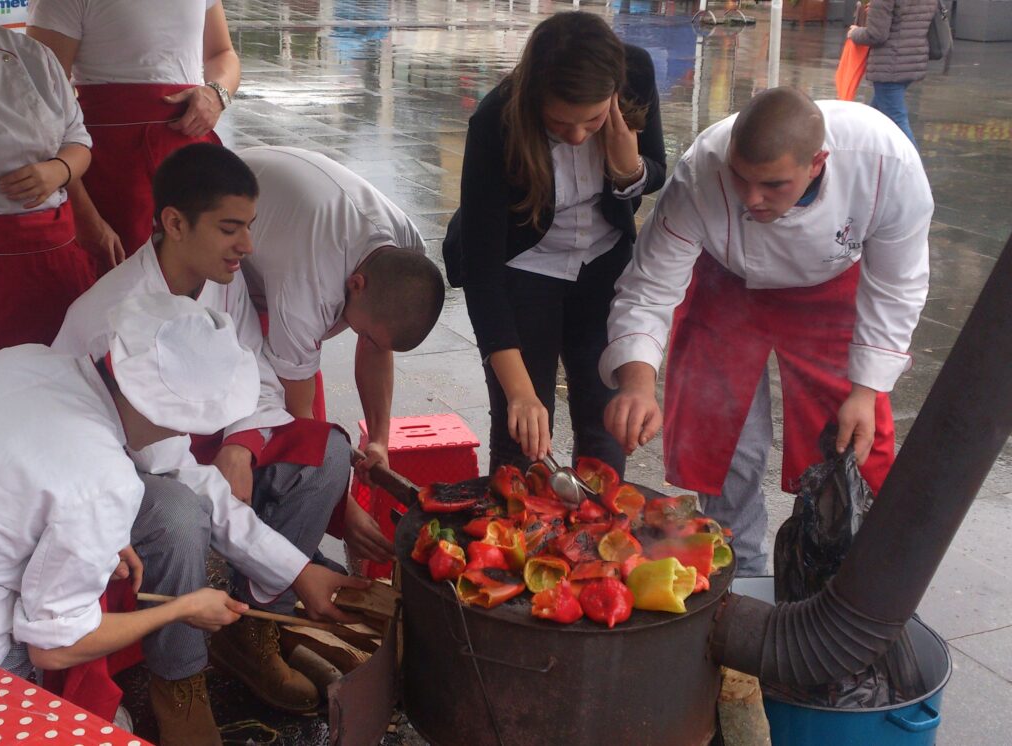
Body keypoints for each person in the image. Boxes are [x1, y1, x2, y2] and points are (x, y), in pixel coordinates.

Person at [53, 144, 392, 723]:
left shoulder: (220, 276)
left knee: (328, 453)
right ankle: (180, 682)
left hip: (200, 437)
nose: (249, 247)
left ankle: (254, 628)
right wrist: (297, 564)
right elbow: (173, 464)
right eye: (231, 228)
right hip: (126, 460)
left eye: (251, 227)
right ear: (175, 223)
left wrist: (242, 442)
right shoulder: (119, 318)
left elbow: (256, 376)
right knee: (182, 514)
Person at [0, 293, 369, 745]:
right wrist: (183, 607)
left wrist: (297, 570)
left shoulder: (30, 360)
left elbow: (183, 479)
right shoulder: (102, 481)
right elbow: (54, 645)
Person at [601, 88, 932, 575]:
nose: (751, 198)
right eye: (740, 179)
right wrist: (636, 384)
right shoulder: (702, 170)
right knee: (722, 437)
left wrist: (867, 389)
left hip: (831, 289)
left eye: (773, 185)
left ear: (817, 162)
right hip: (727, 285)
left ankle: (839, 573)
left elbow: (897, 285)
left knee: (848, 443)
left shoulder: (886, 164)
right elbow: (650, 283)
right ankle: (739, 572)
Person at [444, 11, 666, 476]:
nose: (578, 135)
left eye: (592, 119)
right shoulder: (495, 121)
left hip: (603, 263)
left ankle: (601, 537)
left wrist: (629, 168)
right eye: (559, 123)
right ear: (534, 97)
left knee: (605, 431)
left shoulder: (636, 73)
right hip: (523, 266)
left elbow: (654, 171)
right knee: (520, 438)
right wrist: (521, 394)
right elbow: (483, 274)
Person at [237, 145, 446, 476]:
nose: (366, 341)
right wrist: (340, 502)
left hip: (286, 201)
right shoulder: (306, 283)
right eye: (364, 334)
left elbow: (378, 346)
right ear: (357, 284)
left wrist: (379, 441)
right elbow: (298, 412)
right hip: (219, 206)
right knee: (263, 405)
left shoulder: (407, 246)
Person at [27, 0, 240, 267]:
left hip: (190, 157)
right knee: (118, 284)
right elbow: (40, 103)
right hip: (112, 166)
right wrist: (84, 217)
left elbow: (222, 52)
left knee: (202, 279)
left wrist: (217, 93)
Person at [0, 24, 97, 355]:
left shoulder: (33, 55)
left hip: (53, 254)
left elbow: (77, 139)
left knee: (57, 371)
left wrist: (59, 170)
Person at [848, 0, 936, 147]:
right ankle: (863, 155)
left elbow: (876, 35)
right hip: (912, 59)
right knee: (874, 117)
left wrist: (855, 32)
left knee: (897, 122)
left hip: (890, 65)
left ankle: (914, 167)